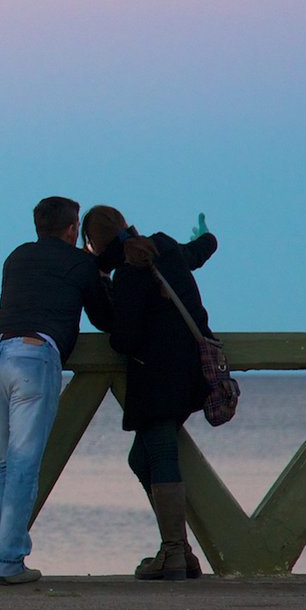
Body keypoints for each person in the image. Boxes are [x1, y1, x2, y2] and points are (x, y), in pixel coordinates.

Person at [0, 195, 110, 584]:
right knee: (24, 465)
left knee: (6, 463)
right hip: (33, 357)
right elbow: (106, 318)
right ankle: (10, 561)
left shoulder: (16, 257)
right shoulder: (81, 262)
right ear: (72, 229)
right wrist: (100, 273)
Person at [83, 205, 219, 581]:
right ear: (126, 225)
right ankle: (180, 552)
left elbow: (124, 339)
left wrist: (100, 282)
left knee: (159, 455)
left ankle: (174, 553)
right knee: (140, 460)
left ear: (94, 243)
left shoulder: (128, 272)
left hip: (157, 379)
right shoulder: (165, 246)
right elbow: (197, 253)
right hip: (191, 370)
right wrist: (207, 237)